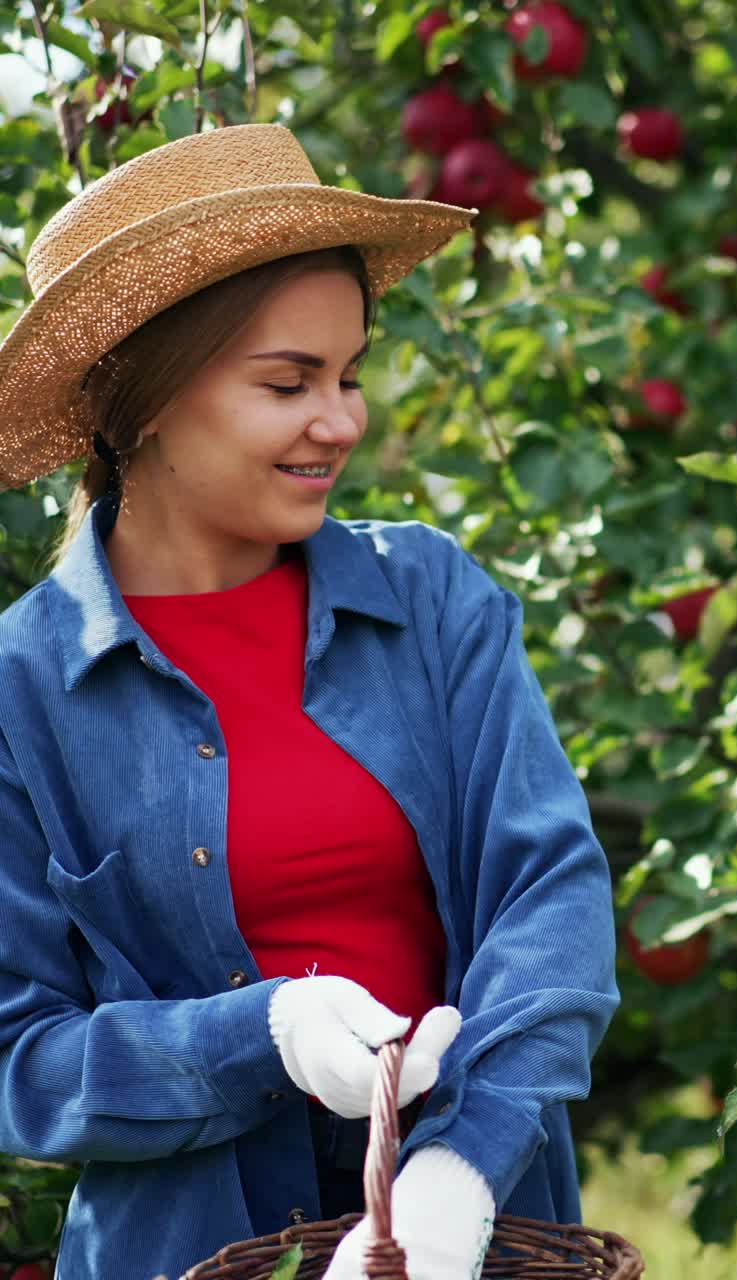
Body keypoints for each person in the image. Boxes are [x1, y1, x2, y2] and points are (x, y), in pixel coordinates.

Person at [0, 124, 619, 1280]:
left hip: (478, 1236)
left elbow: (552, 898)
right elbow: (18, 1059)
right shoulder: (24, 690)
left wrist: (460, 1168)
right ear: (141, 402)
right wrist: (260, 1035)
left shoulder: (430, 599)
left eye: (348, 376)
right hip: (188, 1247)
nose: (339, 421)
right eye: (287, 383)